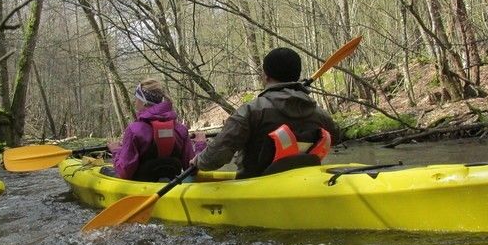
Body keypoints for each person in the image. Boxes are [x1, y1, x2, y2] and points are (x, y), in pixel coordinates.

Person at [192, 47, 339, 179]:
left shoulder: (251, 111)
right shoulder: (321, 115)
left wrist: (197, 161)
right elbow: (337, 137)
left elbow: (214, 159)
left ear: (266, 76)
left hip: (256, 189)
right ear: (297, 75)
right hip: (305, 185)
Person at [110, 79, 196, 181]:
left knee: (105, 170)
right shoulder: (181, 130)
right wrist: (200, 144)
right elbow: (192, 168)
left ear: (144, 102)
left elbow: (124, 172)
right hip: (172, 187)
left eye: (137, 98)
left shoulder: (134, 130)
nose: (135, 102)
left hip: (141, 190)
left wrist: (116, 151)